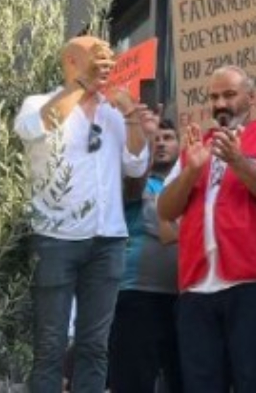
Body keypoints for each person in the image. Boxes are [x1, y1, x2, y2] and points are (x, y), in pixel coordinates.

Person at [15, 35, 156, 393]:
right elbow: (37, 127)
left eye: (108, 57)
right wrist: (83, 86)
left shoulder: (112, 113)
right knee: (50, 345)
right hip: (54, 239)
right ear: (71, 62)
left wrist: (129, 115)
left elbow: (137, 165)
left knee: (95, 346)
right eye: (97, 56)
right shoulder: (39, 103)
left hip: (107, 239)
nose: (105, 63)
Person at [156, 65, 256, 392]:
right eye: (215, 97)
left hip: (255, 286)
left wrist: (237, 161)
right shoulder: (197, 145)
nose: (221, 103)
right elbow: (165, 210)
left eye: (230, 94)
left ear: (251, 97)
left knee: (255, 383)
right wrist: (190, 171)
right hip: (197, 289)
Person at [108, 118, 183, 393]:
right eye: (156, 138)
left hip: (183, 298)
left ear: (181, 144)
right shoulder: (132, 183)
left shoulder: (188, 183)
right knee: (133, 382)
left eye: (168, 137)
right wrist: (143, 142)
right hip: (137, 297)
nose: (161, 142)